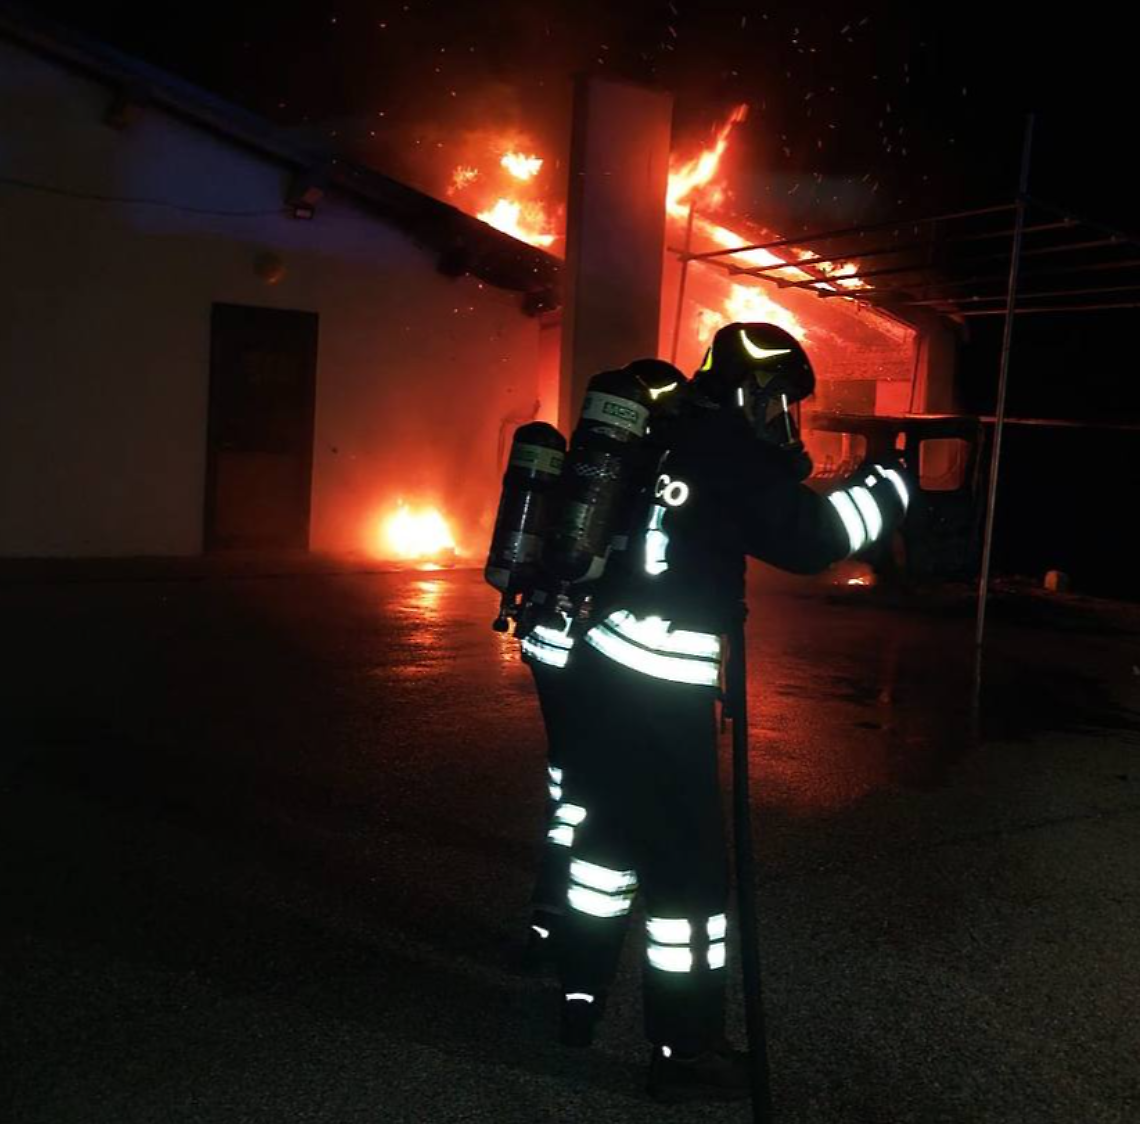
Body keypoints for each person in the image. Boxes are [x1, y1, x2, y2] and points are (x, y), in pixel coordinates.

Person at [552, 323, 911, 1103]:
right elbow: (813, 538)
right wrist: (891, 488)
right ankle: (685, 1052)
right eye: (782, 400)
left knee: (605, 844)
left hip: (604, 666)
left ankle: (575, 1001)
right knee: (688, 879)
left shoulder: (666, 433)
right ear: (753, 389)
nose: (786, 419)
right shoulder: (726, 449)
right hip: (662, 683)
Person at [512, 359, 690, 971]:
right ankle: (558, 923)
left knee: (567, 778)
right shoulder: (647, 471)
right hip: (591, 649)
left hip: (540, 629)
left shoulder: (584, 460)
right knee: (591, 791)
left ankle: (546, 916)